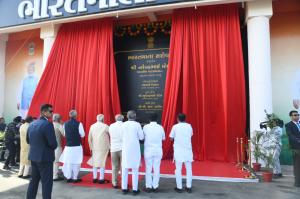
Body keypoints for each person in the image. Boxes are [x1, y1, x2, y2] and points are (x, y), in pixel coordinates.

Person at [26, 104, 57, 199]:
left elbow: (28, 140)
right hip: (45, 158)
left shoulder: (32, 124)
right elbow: (53, 143)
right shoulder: (48, 124)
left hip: (34, 157)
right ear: (43, 112)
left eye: (52, 111)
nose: (52, 113)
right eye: (50, 111)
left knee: (33, 181)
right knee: (47, 183)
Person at [121, 110, 144, 195]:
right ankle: (135, 189)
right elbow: (141, 137)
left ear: (127, 116)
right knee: (135, 170)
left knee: (124, 169)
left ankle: (124, 189)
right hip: (134, 149)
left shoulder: (123, 125)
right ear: (135, 116)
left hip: (126, 148)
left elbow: (121, 136)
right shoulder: (137, 124)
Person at [169, 113, 193, 193]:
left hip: (179, 151)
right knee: (189, 169)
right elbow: (191, 135)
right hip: (187, 150)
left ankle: (179, 187)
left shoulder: (175, 127)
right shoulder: (189, 126)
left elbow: (171, 138)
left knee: (178, 169)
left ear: (177, 119)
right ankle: (188, 187)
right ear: (185, 119)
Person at [60, 110, 85, 183]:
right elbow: (83, 135)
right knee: (76, 162)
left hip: (68, 146)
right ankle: (75, 177)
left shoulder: (65, 124)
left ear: (69, 115)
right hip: (77, 146)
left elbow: (64, 134)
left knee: (68, 162)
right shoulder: (79, 123)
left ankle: (68, 177)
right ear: (76, 115)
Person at [143, 113, 165, 193]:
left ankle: (148, 186)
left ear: (149, 119)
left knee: (148, 169)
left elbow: (142, 137)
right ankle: (155, 186)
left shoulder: (145, 127)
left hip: (148, 150)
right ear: (157, 119)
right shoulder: (160, 127)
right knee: (157, 168)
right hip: (158, 150)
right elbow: (163, 138)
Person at [87, 114, 110, 184]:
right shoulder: (105, 126)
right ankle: (101, 179)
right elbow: (112, 133)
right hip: (104, 147)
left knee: (95, 163)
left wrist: (91, 147)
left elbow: (89, 138)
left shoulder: (92, 126)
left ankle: (94, 178)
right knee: (102, 163)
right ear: (103, 119)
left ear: (97, 119)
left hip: (94, 147)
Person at [108, 114, 124, 189]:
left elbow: (110, 134)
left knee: (114, 166)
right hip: (122, 148)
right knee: (123, 167)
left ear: (115, 119)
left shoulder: (111, 126)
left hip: (113, 148)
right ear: (123, 118)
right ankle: (123, 183)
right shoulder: (124, 125)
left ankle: (114, 182)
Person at [285, 110, 300, 187]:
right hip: (296, 148)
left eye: (298, 115)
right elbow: (290, 136)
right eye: (295, 115)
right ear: (291, 116)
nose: (297, 116)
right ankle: (297, 182)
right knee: (297, 165)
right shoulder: (288, 125)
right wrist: (298, 140)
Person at [52, 114, 65, 181]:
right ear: (59, 119)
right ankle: (55, 176)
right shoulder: (59, 125)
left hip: (49, 146)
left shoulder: (49, 125)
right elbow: (64, 134)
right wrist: (62, 125)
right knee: (56, 161)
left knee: (51, 161)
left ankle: (50, 174)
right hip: (57, 145)